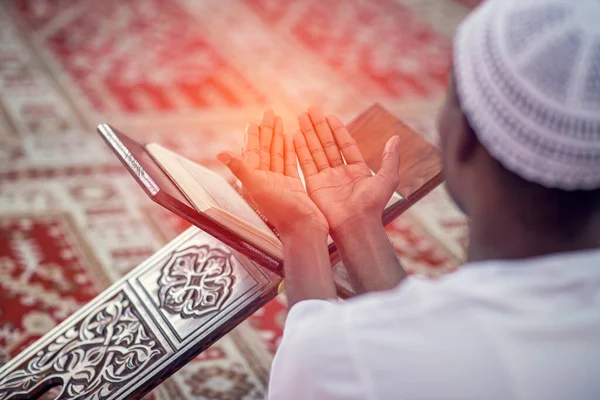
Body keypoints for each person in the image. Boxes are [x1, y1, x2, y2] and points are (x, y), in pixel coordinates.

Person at [217, 0, 600, 398]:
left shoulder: (343, 360)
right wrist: (356, 225)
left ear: (465, 140)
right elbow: (429, 337)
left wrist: (299, 231)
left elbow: (355, 353)